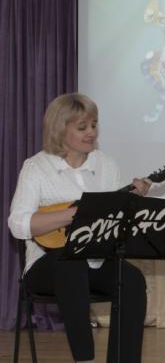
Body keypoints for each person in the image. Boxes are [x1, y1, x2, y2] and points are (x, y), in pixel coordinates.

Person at [8, 93, 149, 363]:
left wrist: (131, 204)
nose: (91, 132)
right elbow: (18, 224)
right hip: (46, 265)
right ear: (60, 129)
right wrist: (72, 215)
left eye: (94, 125)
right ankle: (85, 359)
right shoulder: (36, 167)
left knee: (131, 278)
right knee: (70, 265)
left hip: (96, 261)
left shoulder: (105, 164)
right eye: (82, 127)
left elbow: (116, 223)